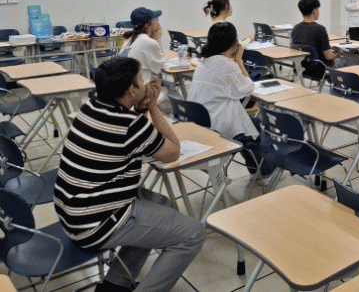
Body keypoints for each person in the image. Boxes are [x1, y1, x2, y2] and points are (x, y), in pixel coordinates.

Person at [54, 57, 205, 292]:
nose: (146, 84)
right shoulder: (129, 125)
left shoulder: (90, 107)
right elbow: (173, 151)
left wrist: (141, 108)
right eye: (141, 80)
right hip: (94, 225)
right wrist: (153, 106)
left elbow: (133, 139)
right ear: (130, 90)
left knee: (162, 204)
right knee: (193, 234)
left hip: (73, 212)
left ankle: (115, 285)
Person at [187, 22, 273, 178]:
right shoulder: (228, 65)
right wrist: (238, 61)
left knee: (250, 123)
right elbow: (248, 87)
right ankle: (263, 170)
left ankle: (256, 168)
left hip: (199, 121)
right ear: (234, 44)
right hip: (217, 126)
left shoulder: (203, 62)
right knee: (255, 127)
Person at [291, 0, 341, 66]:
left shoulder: (295, 28)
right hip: (321, 67)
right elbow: (329, 56)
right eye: (318, 9)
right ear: (314, 11)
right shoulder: (320, 29)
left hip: (303, 66)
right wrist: (338, 55)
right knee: (346, 60)